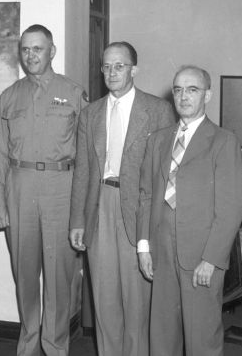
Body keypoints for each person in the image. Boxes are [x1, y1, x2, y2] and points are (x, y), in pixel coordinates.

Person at [69, 41, 175, 356]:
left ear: (134, 70)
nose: (112, 72)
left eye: (120, 66)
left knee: (138, 301)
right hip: (99, 207)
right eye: (107, 66)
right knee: (104, 301)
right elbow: (83, 170)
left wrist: (159, 226)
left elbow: (165, 174)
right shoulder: (90, 114)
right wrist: (77, 220)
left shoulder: (157, 110)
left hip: (138, 210)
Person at [138, 65, 242, 356]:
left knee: (201, 338)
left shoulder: (223, 141)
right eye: (178, 89)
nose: (183, 96)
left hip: (201, 257)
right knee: (162, 335)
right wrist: (144, 247)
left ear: (207, 95)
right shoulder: (158, 139)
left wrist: (211, 259)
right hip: (161, 252)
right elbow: (147, 196)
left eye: (192, 89)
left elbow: (231, 208)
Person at [0, 24, 87, 356]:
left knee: (59, 276)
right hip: (19, 189)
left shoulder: (74, 94)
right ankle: (29, 342)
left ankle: (56, 346)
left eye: (38, 49)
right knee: (24, 272)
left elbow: (87, 157)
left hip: (61, 189)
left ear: (52, 51)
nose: (31, 55)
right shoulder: (9, 96)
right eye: (26, 49)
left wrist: (80, 210)